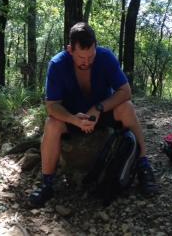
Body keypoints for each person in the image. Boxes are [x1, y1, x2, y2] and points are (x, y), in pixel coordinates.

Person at [28, 22, 158, 208]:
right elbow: (52, 106)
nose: (87, 61)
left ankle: (144, 165)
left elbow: (125, 91)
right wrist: (73, 119)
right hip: (72, 118)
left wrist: (98, 108)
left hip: (102, 114)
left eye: (91, 55)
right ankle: (47, 183)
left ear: (96, 47)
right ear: (70, 50)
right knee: (51, 123)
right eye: (81, 57)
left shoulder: (105, 57)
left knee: (127, 107)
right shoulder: (57, 64)